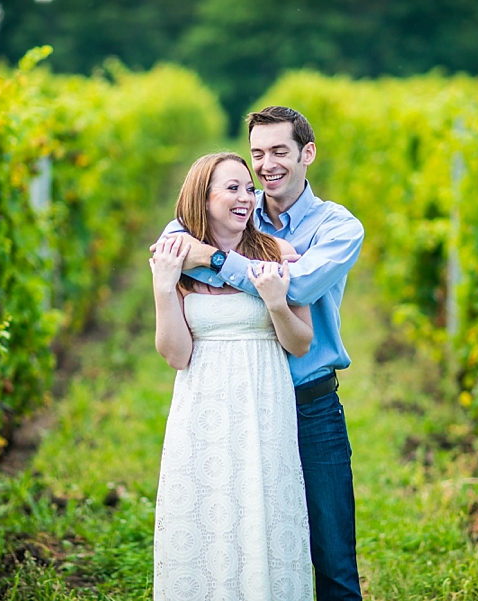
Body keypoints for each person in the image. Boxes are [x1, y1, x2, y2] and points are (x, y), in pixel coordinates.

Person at [154, 106, 364, 601]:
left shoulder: (337, 226)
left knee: (333, 556)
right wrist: (208, 256)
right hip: (231, 403)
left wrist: (216, 257)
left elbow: (299, 286)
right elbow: (168, 250)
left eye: (279, 152)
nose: (266, 166)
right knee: (231, 534)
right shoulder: (227, 212)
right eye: (257, 154)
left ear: (307, 153)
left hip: (308, 402)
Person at [150, 152, 315, 601]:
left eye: (249, 188)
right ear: (202, 198)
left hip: (264, 400)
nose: (246, 198)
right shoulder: (177, 260)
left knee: (264, 508)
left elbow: (300, 343)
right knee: (206, 511)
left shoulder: (278, 253)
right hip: (201, 404)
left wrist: (277, 303)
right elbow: (177, 355)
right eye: (232, 188)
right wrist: (163, 288)